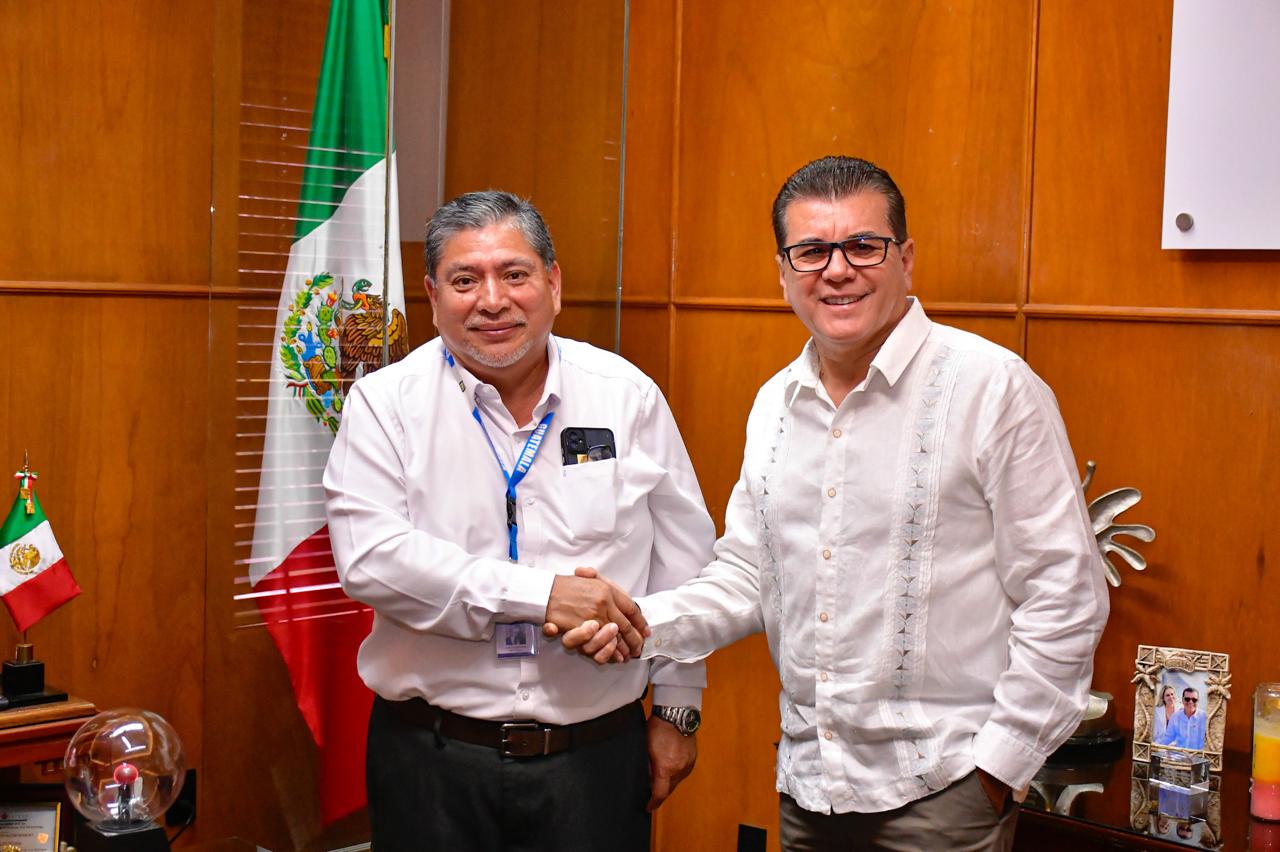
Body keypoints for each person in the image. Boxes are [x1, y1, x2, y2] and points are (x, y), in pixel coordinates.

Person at [563, 156, 1110, 850]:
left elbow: (1065, 595)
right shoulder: (775, 405)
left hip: (945, 794)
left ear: (905, 259)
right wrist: (639, 621)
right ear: (784, 272)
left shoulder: (992, 389)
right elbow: (748, 577)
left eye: (863, 246)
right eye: (812, 250)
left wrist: (998, 769)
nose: (837, 269)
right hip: (808, 789)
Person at [324, 190, 716, 851]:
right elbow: (371, 560)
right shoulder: (385, 404)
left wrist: (678, 710)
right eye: (464, 279)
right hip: (431, 760)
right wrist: (543, 598)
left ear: (553, 283)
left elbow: (685, 561)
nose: (493, 300)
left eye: (514, 274)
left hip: (595, 758)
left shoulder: (625, 396)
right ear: (431, 294)